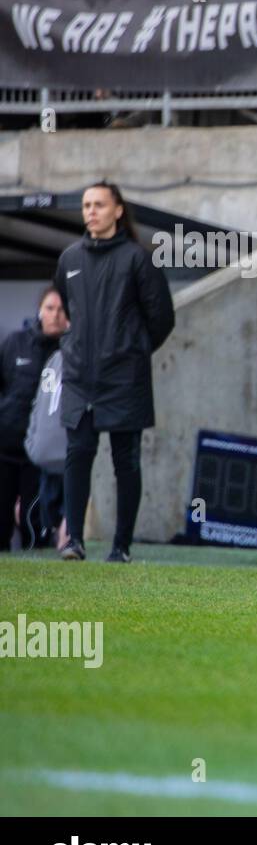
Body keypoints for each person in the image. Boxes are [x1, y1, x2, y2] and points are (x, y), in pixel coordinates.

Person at [54, 183, 174, 563]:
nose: (91, 211)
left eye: (99, 205)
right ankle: (74, 540)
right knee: (78, 452)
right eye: (87, 205)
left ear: (118, 210)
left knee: (126, 460)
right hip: (79, 377)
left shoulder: (138, 258)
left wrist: (130, 352)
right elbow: (69, 309)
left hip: (124, 378)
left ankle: (121, 547)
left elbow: (162, 319)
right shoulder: (69, 259)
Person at [0, 288, 68, 550]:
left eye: (61, 310)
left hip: (39, 455)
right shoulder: (15, 343)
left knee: (35, 524)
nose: (55, 315)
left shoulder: (68, 352)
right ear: (40, 310)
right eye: (50, 308)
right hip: (6, 445)